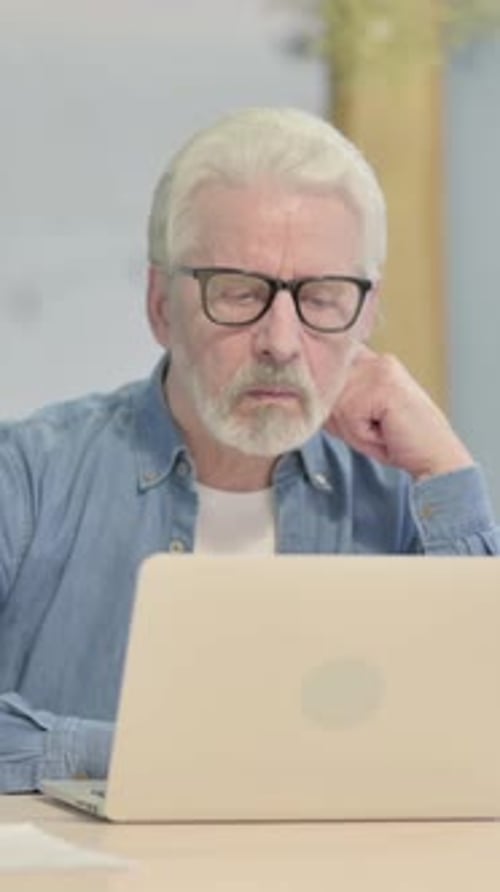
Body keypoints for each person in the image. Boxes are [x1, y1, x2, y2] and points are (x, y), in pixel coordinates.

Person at [0, 106, 498, 794]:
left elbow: (479, 738)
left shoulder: (405, 501)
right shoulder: (28, 477)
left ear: (368, 314)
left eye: (323, 298)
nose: (281, 342)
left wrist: (449, 471)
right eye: (239, 293)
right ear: (160, 305)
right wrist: (146, 755)